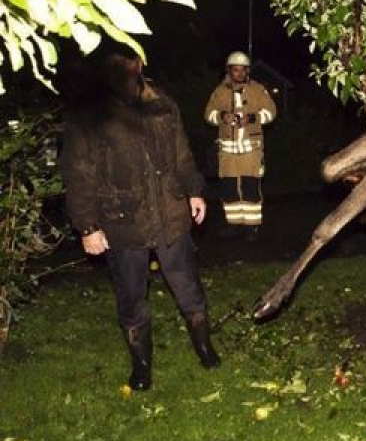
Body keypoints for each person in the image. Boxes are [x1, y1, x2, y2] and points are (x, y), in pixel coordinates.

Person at [59, 46, 220, 392]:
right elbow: (78, 173)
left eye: (131, 59)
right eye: (119, 61)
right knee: (131, 298)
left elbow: (182, 152)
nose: (127, 67)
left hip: (170, 214)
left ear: (141, 62)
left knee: (188, 286)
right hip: (122, 220)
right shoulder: (91, 114)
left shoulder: (160, 102)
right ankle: (142, 367)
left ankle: (205, 348)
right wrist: (87, 226)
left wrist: (193, 189)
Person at [204, 51, 277, 240]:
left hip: (251, 151)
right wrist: (222, 117)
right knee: (229, 189)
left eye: (243, 70)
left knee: (250, 188)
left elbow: (271, 112)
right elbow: (208, 114)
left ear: (247, 71)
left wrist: (251, 118)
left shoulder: (258, 90)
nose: (239, 74)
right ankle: (234, 225)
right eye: (235, 70)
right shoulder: (219, 92)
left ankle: (252, 227)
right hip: (227, 153)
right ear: (229, 71)